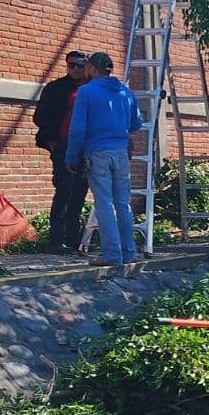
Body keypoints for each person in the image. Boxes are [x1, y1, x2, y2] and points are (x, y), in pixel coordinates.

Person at [65, 51, 143, 266]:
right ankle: (129, 251)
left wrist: (71, 156)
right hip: (121, 151)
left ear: (93, 68)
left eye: (86, 66)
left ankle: (112, 254)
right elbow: (136, 123)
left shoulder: (86, 91)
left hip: (97, 152)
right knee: (123, 204)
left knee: (104, 204)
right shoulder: (125, 92)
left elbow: (77, 129)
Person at [33, 49, 91, 252]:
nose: (75, 69)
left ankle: (73, 239)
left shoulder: (91, 88)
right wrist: (54, 142)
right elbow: (40, 117)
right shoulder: (55, 88)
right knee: (64, 191)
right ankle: (56, 240)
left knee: (80, 192)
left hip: (86, 146)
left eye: (80, 65)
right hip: (63, 144)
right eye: (71, 65)